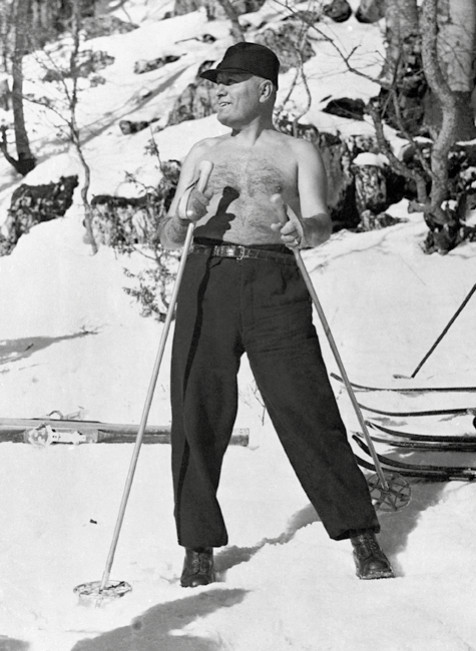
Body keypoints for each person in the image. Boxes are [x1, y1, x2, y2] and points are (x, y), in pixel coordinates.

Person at [159, 42, 394, 587]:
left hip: (274, 282)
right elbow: (170, 235)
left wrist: (301, 230)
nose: (219, 92)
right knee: (197, 408)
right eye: (216, 84)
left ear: (264, 90)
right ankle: (197, 545)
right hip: (207, 278)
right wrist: (186, 217)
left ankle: (360, 533)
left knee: (306, 404)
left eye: (231, 82)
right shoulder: (202, 151)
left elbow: (320, 222)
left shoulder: (298, 152)